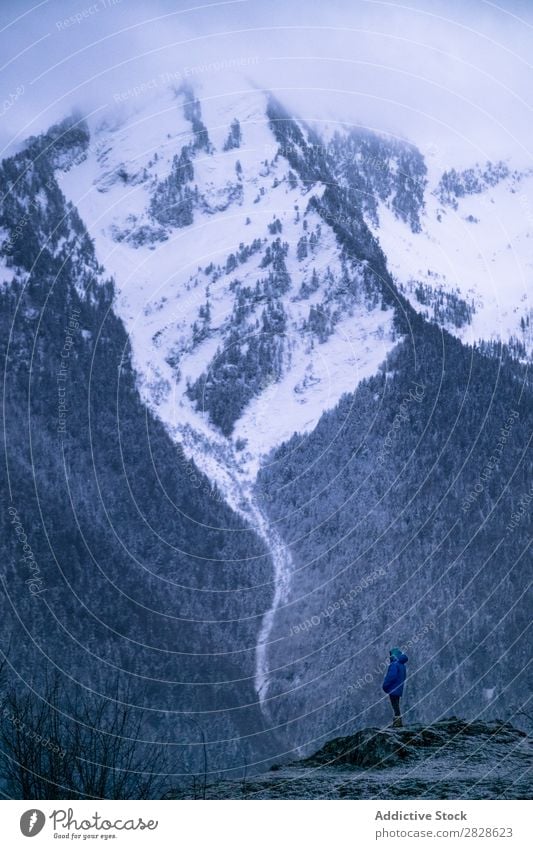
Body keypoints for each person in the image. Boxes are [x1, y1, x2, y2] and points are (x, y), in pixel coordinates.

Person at [382, 647, 408, 727]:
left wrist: (385, 685)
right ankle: (398, 722)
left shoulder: (394, 664)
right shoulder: (402, 665)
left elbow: (391, 676)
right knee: (396, 704)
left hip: (393, 688)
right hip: (399, 688)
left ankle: (397, 722)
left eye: (391, 655)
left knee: (395, 705)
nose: (390, 657)